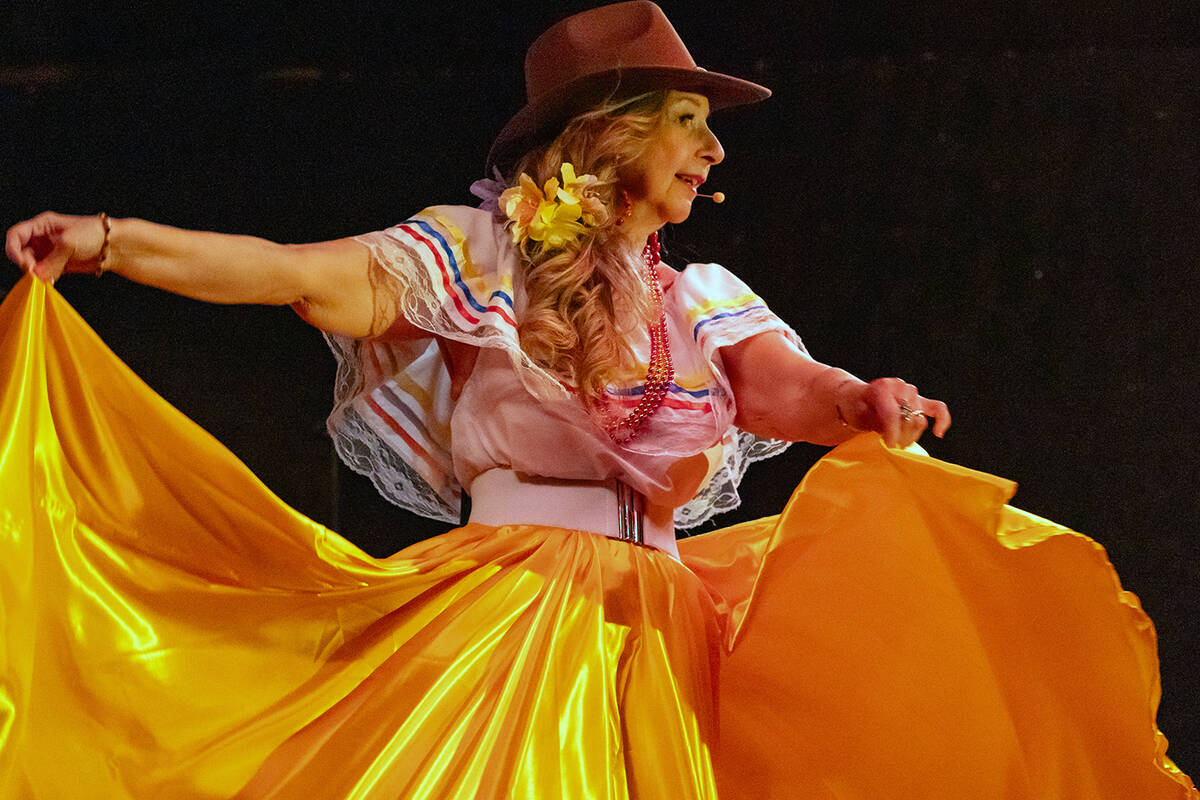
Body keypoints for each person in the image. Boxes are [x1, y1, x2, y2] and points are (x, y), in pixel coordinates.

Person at [1, 3, 1194, 798]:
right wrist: (112, 241)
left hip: (671, 633)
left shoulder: (701, 298)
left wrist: (861, 397)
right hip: (515, 609)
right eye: (688, 124)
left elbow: (787, 387)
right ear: (609, 133)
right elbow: (291, 271)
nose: (712, 153)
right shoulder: (475, 253)